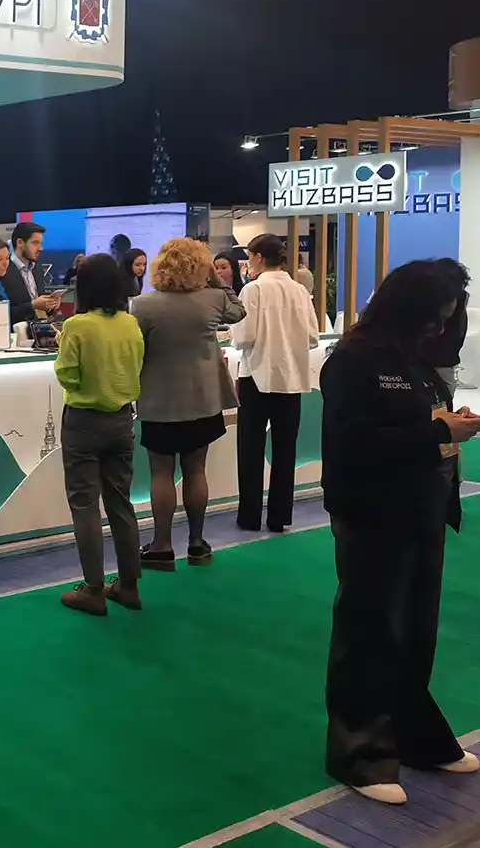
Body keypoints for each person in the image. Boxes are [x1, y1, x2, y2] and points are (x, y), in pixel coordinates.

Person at [320, 261, 480, 806]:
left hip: (422, 508)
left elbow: (419, 425)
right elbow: (354, 445)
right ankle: (359, 752)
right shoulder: (352, 362)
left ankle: (415, 734)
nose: (439, 327)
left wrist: (447, 423)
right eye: (435, 316)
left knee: (416, 631)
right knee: (369, 630)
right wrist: (438, 428)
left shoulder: (414, 361)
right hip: (372, 511)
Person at [132, 238, 246, 570]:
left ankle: (161, 545)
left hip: (159, 400)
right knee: (196, 470)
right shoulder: (213, 299)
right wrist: (217, 280)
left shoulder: (142, 305)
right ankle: (197, 543)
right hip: (203, 399)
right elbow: (238, 310)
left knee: (161, 472)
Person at [53, 253, 144, 616]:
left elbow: (68, 375)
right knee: (121, 502)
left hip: (84, 422)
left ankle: (93, 588)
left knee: (85, 505)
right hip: (122, 420)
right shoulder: (130, 324)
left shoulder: (76, 326)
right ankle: (129, 585)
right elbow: (137, 367)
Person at [229, 233, 320, 533]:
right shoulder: (299, 291)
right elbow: (312, 337)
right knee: (285, 451)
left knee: (250, 450)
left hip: (256, 377)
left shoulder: (253, 290)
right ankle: (279, 516)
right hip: (291, 379)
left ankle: (250, 516)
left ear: (258, 257)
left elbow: (243, 336)